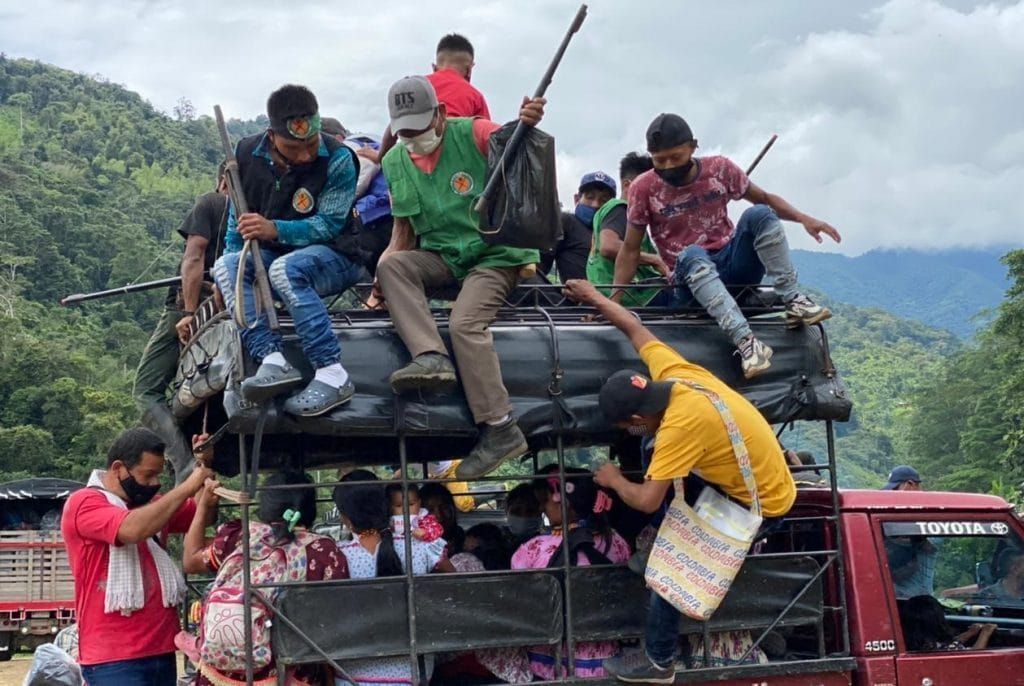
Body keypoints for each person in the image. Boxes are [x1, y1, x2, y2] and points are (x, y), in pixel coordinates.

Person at [561, 279, 797, 683]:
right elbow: (634, 327)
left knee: (670, 568)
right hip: (749, 477)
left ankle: (658, 662)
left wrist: (614, 480)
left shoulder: (678, 429)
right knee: (657, 462)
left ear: (636, 418)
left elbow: (647, 501)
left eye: (628, 426)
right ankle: (656, 542)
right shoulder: (675, 374)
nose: (632, 431)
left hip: (762, 504)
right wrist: (594, 297)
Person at [374, 75, 545, 479]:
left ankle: (501, 426)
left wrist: (526, 122)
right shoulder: (394, 162)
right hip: (445, 256)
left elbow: (515, 143)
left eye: (419, 129)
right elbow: (402, 234)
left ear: (440, 114)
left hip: (494, 255)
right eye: (404, 133)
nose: (413, 139)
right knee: (391, 266)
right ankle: (430, 356)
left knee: (464, 323)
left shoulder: (474, 133)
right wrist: (380, 287)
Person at [614, 113, 841, 379]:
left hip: (731, 266)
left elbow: (763, 197)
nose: (668, 166)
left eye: (675, 157)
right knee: (693, 254)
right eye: (659, 160)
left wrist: (804, 219)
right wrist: (614, 301)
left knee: (760, 214)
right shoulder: (644, 188)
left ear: (693, 147)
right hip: (689, 281)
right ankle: (745, 341)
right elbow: (630, 249)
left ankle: (792, 298)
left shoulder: (719, 169)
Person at [212, 84, 364, 417]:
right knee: (226, 266)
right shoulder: (245, 155)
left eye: (312, 144)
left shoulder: (339, 159)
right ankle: (272, 358)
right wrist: (230, 280)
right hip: (275, 255)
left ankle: (332, 372)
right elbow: (240, 223)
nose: (306, 155)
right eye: (295, 148)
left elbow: (329, 225)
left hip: (337, 255)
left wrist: (276, 228)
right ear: (272, 136)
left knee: (285, 270)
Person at [61, 427, 213, 686]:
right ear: (118, 469)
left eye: (158, 476)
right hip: (113, 659)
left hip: (161, 648)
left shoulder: (154, 505)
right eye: (148, 475)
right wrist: (189, 485)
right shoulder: (84, 502)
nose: (154, 483)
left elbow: (202, 514)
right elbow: (132, 529)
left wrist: (204, 464)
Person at [179, 470, 346, 685]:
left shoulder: (241, 536)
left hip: (222, 674)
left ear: (265, 505)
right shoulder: (323, 550)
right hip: (289, 673)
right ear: (309, 509)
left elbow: (190, 561)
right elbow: (332, 621)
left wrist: (203, 504)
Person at [134, 167, 229, 479]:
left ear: (223, 181)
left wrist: (188, 312)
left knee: (146, 391)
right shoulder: (261, 213)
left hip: (190, 308)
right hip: (235, 307)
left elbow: (194, 258)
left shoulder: (212, 202)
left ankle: (184, 463)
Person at [332, 478, 453, 686]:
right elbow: (457, 583)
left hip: (350, 675)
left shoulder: (337, 555)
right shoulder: (423, 546)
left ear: (345, 519)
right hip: (412, 672)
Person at [512, 472, 630, 679]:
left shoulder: (532, 550)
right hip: (605, 659)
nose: (543, 509)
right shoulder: (617, 542)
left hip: (549, 661)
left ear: (563, 504)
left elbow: (520, 599)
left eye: (546, 502)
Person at [585, 157, 670, 306]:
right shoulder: (621, 209)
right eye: (650, 188)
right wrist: (654, 260)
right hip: (633, 297)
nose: (655, 195)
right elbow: (608, 247)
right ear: (627, 185)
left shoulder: (616, 213)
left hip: (611, 294)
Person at [322, 117, 394, 274]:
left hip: (381, 213)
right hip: (383, 211)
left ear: (337, 138)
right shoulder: (366, 146)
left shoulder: (352, 148)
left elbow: (357, 184)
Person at [537, 173, 599, 283]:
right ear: (577, 199)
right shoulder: (566, 222)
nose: (595, 204)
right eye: (590, 197)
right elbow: (539, 266)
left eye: (604, 200)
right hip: (575, 291)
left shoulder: (613, 230)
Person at [899, 595, 997, 651]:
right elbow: (972, 656)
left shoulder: (913, 643)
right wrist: (985, 633)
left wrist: (969, 633)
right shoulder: (936, 647)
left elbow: (952, 644)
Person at [385, 482, 446, 559]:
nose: (405, 509)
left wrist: (425, 533)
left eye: (411, 504)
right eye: (399, 505)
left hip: (421, 556)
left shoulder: (423, 518)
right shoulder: (388, 521)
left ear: (419, 503)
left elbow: (438, 529)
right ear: (390, 506)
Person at [419, 482, 467, 556]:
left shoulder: (459, 535)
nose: (439, 515)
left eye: (444, 507)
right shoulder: (417, 543)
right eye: (430, 510)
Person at [505, 482, 543, 546]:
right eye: (516, 511)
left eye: (530, 511)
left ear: (540, 513)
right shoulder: (494, 540)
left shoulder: (549, 544)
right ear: (506, 511)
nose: (523, 518)